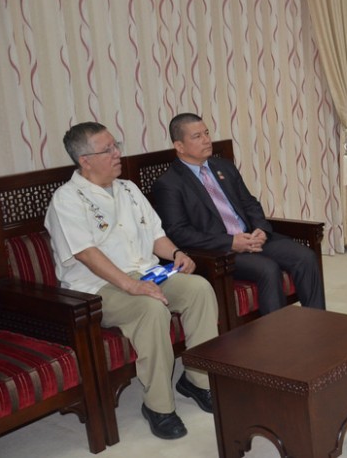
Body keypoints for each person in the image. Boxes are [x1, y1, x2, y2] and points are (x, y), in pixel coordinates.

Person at [45, 122, 218, 440]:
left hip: (146, 272)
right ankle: (158, 406)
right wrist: (132, 286)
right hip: (96, 289)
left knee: (199, 289)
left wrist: (177, 254)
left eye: (116, 145)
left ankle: (198, 380)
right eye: (108, 149)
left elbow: (156, 236)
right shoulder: (67, 200)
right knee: (150, 309)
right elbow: (86, 254)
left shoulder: (128, 189)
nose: (117, 153)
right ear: (85, 160)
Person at [151, 113, 325, 315]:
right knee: (268, 269)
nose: (207, 140)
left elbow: (249, 203)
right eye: (197, 136)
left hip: (251, 237)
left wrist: (261, 229)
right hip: (220, 252)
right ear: (179, 146)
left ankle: (317, 323)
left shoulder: (223, 167)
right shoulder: (169, 184)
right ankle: (276, 333)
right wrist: (231, 242)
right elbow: (179, 233)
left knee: (305, 257)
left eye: (206, 133)